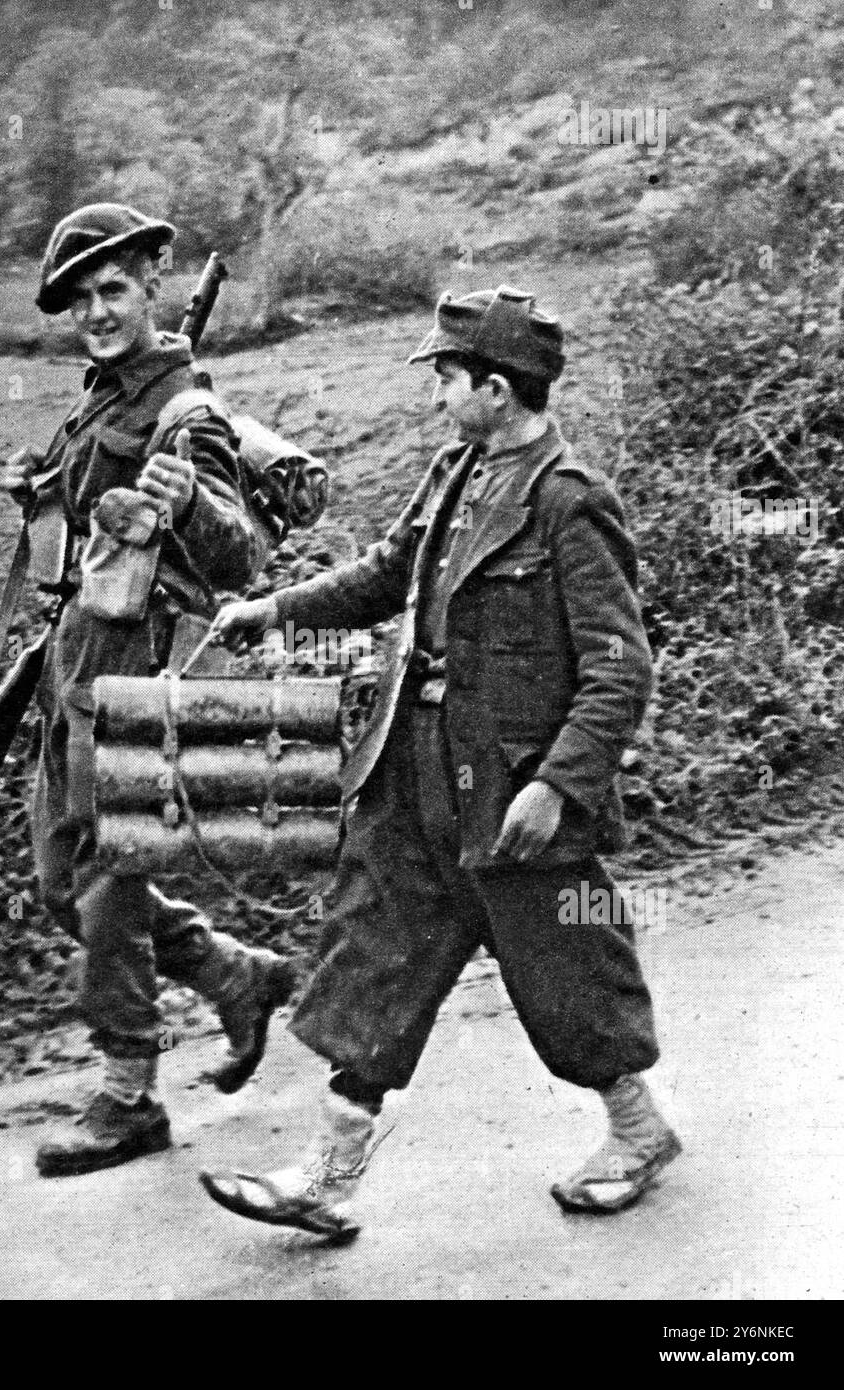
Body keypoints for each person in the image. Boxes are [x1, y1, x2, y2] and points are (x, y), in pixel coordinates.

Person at [200, 285, 680, 1240]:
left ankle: (637, 1132)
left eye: (449, 379)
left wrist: (557, 783)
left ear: (498, 390)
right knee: (377, 958)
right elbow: (385, 574)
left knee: (563, 973)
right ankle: (326, 1179)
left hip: (510, 792)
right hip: (411, 766)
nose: (436, 396)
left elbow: (619, 667)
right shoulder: (452, 472)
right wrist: (275, 608)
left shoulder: (568, 504)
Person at [0, 203, 293, 1178]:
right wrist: (40, 489)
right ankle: (230, 972)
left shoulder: (184, 410)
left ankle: (128, 1092)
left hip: (140, 674)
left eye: (112, 289)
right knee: (58, 881)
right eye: (80, 298)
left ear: (149, 287)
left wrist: (184, 504)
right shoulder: (102, 399)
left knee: (104, 886)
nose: (95, 309)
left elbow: (241, 552)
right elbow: (71, 523)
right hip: (73, 667)